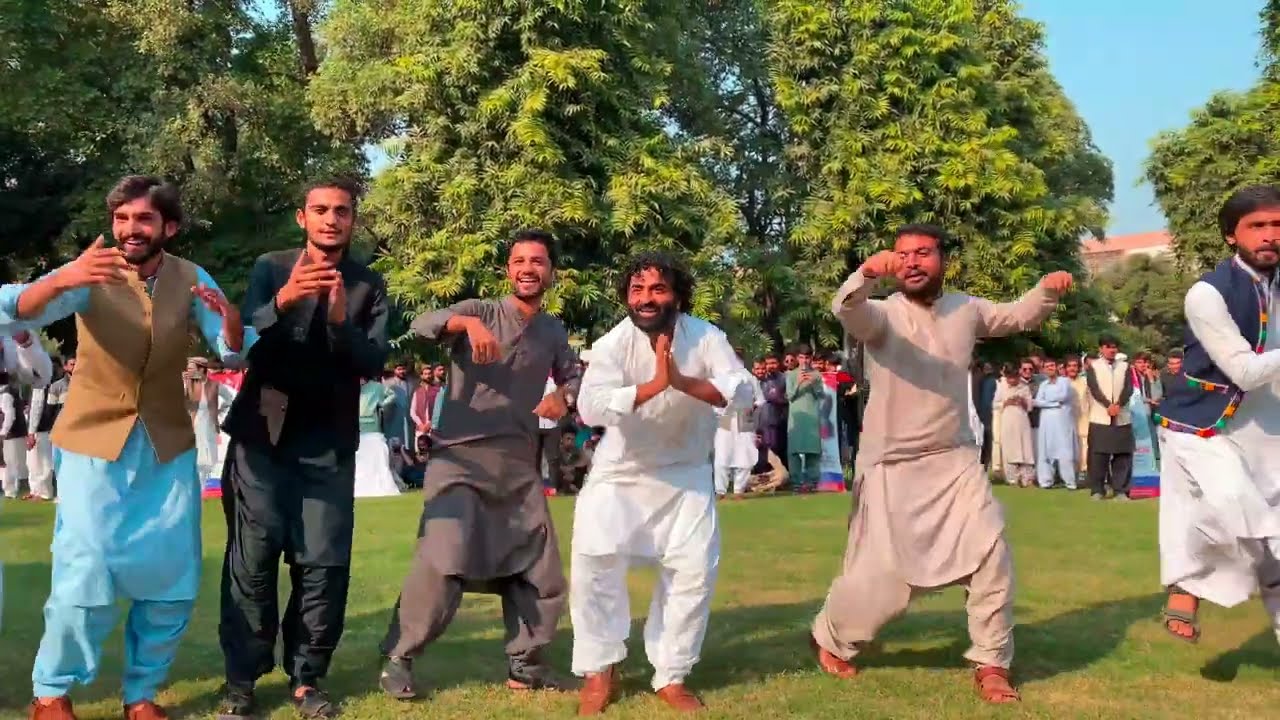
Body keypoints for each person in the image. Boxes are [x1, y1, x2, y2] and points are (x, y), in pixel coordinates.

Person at [4, 175, 250, 720]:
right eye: (121, 219)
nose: (129, 230)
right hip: (93, 440)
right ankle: (51, 693)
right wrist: (63, 278)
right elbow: (15, 309)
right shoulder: (90, 270)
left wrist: (231, 322)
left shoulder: (190, 277)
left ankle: (141, 696)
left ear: (169, 226)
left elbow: (234, 351)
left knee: (171, 579)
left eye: (142, 220)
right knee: (84, 569)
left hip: (165, 445)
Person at [812, 223, 1072, 704]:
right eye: (903, 254)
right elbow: (847, 311)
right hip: (892, 465)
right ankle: (831, 636)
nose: (912, 262)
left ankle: (992, 662)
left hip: (954, 459)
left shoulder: (966, 308)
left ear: (942, 260)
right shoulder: (883, 315)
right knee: (884, 581)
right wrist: (865, 274)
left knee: (991, 551)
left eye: (923, 253)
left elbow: (1018, 316)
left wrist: (1047, 290)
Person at [377, 229, 580, 700]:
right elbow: (424, 324)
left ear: (551, 272)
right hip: (460, 459)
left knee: (538, 567)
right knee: (445, 555)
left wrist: (563, 396)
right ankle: (398, 658)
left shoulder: (552, 330)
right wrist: (464, 326)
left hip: (517, 462)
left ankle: (526, 665)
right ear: (508, 270)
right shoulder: (480, 311)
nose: (528, 268)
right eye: (519, 261)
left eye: (538, 261)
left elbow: (573, 375)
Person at [218, 178, 389, 720]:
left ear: (352, 221)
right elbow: (245, 345)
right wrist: (284, 302)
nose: (331, 219)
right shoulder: (271, 267)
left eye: (341, 211)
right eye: (320, 210)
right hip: (261, 439)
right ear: (302, 218)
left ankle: (306, 679)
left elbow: (371, 364)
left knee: (323, 563)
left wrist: (339, 320)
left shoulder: (368, 285)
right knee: (253, 560)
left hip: (328, 443)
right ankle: (241, 683)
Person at [571, 252, 753, 714]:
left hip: (687, 472)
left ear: (677, 295)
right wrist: (654, 385)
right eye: (637, 290)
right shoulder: (615, 342)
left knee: (692, 571)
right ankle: (598, 669)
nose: (646, 299)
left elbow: (743, 391)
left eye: (657, 289)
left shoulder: (706, 336)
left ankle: (671, 675)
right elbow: (590, 408)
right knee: (595, 563)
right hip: (620, 472)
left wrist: (682, 381)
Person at [1154, 185, 1280, 645]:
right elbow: (1244, 371)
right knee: (1236, 510)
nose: (1270, 235)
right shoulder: (1208, 294)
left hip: (1268, 427)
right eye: (1258, 226)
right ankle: (1187, 585)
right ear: (1232, 235)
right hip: (1204, 423)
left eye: (1278, 225)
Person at [1084, 336, 1134, 501]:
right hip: (1101, 416)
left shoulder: (1125, 366)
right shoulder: (1094, 367)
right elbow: (1094, 388)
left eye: (1114, 347)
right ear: (1101, 349)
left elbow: (1128, 388)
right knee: (1098, 455)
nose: (1112, 350)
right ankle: (1097, 489)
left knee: (1123, 455)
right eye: (1108, 347)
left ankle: (1121, 490)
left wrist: (1118, 404)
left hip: (1121, 416)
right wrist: (1108, 405)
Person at [714, 348, 763, 499]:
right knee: (722, 455)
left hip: (744, 417)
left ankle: (739, 490)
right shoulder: (721, 377)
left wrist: (750, 409)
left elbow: (760, 400)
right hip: (726, 416)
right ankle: (720, 491)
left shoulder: (750, 378)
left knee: (745, 456)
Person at [26, 356, 71, 501]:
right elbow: (34, 408)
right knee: (33, 462)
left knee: (46, 463)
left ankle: (45, 493)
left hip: (46, 427)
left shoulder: (52, 386)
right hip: (35, 428)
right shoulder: (37, 385)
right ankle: (35, 490)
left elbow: (44, 409)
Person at [354, 377, 406, 498]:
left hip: (373, 428)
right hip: (356, 429)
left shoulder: (377, 387)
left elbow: (392, 395)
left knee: (378, 458)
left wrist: (382, 404)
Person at [1033, 358, 1078, 489]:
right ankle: (1046, 481)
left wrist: (1046, 402)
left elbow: (1063, 396)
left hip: (1062, 422)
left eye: (1052, 365)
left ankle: (1070, 481)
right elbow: (1037, 402)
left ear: (1057, 367)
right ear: (1043, 369)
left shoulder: (1065, 381)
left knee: (1065, 451)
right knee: (1045, 451)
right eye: (1047, 366)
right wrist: (1053, 404)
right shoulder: (1043, 384)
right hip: (1046, 422)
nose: (1050, 368)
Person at [785, 345, 823, 493]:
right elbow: (789, 396)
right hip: (796, 417)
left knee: (812, 450)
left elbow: (820, 394)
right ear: (797, 358)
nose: (804, 361)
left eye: (807, 357)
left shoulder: (817, 375)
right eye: (801, 357)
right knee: (794, 450)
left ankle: (812, 482)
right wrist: (799, 382)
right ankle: (796, 482)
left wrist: (813, 383)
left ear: (811, 358)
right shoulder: (791, 375)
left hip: (812, 416)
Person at [992, 365, 1034, 487]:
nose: (1012, 381)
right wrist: (1006, 402)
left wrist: (1023, 402)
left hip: (1022, 421)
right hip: (1008, 420)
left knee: (1025, 448)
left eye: (1015, 377)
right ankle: (1012, 479)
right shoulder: (1001, 386)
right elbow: (995, 404)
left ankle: (1027, 479)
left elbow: (1030, 406)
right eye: (1010, 378)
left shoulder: (1024, 387)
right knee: (1010, 449)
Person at [1064, 356, 1090, 484]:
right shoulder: (1062, 382)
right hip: (1067, 422)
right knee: (1069, 449)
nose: (1072, 368)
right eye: (1069, 366)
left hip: (1084, 420)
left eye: (1074, 366)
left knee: (1084, 449)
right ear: (1065, 369)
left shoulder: (1085, 381)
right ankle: (1069, 476)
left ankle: (1083, 474)